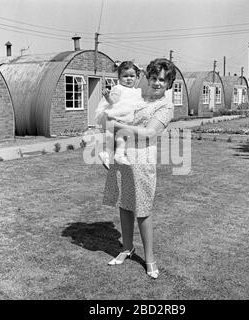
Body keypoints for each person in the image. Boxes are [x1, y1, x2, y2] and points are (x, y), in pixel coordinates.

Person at [102, 58, 176, 279]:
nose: (156, 83)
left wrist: (116, 126)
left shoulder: (165, 106)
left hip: (143, 159)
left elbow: (149, 133)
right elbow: (114, 106)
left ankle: (150, 258)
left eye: (162, 80)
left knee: (143, 209)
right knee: (124, 204)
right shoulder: (136, 96)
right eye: (153, 78)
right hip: (122, 155)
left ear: (169, 83)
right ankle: (126, 248)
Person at [95, 61, 143, 169]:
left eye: (132, 76)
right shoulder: (118, 88)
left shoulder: (136, 91)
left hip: (128, 118)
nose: (129, 78)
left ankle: (117, 155)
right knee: (117, 136)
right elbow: (113, 101)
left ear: (136, 77)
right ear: (119, 77)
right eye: (125, 76)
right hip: (118, 116)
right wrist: (107, 96)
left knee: (122, 138)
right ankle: (111, 154)